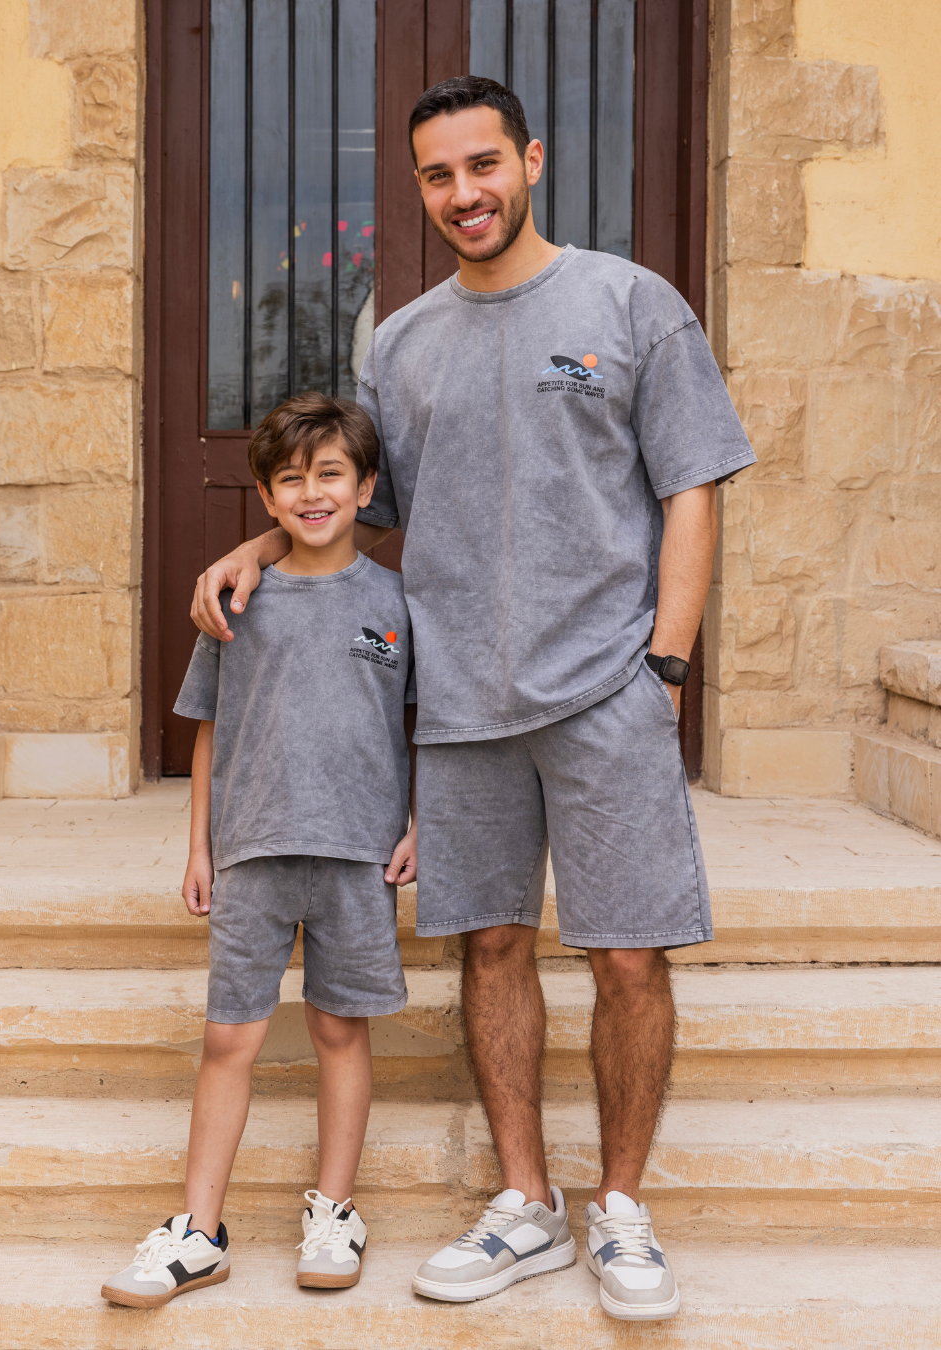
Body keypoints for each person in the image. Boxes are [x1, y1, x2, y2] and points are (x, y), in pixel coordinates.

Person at [190, 77, 756, 1322]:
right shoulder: (400, 344)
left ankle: (621, 1207)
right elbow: (355, 505)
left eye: (483, 165)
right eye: (439, 176)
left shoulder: (629, 304)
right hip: (457, 702)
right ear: (420, 189)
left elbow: (693, 487)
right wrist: (256, 548)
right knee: (491, 945)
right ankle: (525, 1204)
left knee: (627, 955)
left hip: (606, 686)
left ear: (531, 160)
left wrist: (665, 666)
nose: (465, 194)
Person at [102, 393, 417, 1307]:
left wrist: (420, 822)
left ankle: (336, 1212)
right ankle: (199, 1232)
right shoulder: (236, 598)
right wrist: (199, 847)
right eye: (291, 480)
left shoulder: (398, 603)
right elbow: (208, 728)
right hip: (252, 851)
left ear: (365, 487)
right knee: (228, 1036)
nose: (312, 494)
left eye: (331, 475)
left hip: (357, 854)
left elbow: (423, 726)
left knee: (338, 1030)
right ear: (268, 499)